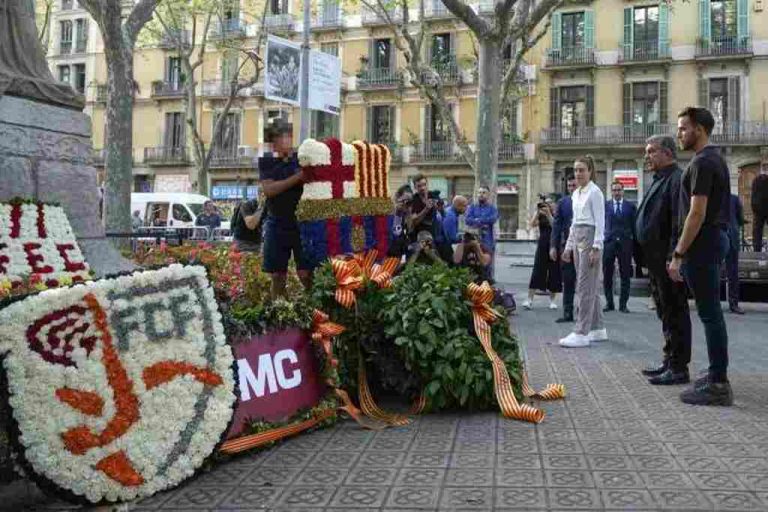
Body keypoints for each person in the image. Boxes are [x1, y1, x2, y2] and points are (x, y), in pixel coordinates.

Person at [668, 106, 732, 406]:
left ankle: (718, 384)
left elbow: (696, 213)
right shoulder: (712, 159)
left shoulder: (703, 162)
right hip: (711, 241)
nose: (679, 133)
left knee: (710, 313)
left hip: (703, 244)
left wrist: (678, 254)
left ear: (700, 130)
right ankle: (716, 373)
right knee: (711, 312)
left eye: (683, 128)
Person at [636, 135, 692, 385]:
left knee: (675, 311)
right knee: (665, 312)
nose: (647, 156)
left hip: (667, 262)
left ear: (668, 153)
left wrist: (674, 257)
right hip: (655, 261)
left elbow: (679, 222)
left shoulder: (676, 179)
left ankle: (679, 367)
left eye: (651, 151)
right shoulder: (660, 179)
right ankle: (669, 360)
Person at [259, 120, 313, 298]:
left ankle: (314, 307)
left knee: (306, 274)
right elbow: (269, 190)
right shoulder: (267, 160)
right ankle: (279, 309)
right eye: (273, 141)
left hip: (302, 223)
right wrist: (297, 178)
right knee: (277, 275)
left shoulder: (302, 158)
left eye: (283, 137)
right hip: (277, 223)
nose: (279, 143)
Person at [559, 155, 607, 348]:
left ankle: (581, 332)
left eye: (582, 170)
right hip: (578, 236)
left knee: (584, 286)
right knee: (589, 285)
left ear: (590, 171)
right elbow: (574, 223)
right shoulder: (576, 194)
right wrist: (568, 246)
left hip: (590, 237)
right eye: (576, 170)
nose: (578, 173)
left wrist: (596, 247)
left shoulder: (595, 192)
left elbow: (600, 222)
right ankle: (597, 328)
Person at [603, 181, 636, 313]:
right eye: (614, 190)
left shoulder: (630, 207)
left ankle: (623, 305)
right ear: (611, 192)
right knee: (607, 274)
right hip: (609, 243)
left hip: (625, 244)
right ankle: (609, 303)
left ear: (623, 191)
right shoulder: (606, 206)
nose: (616, 192)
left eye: (619, 190)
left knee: (625, 275)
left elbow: (634, 226)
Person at [523, 196, 561, 310]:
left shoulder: (557, 215)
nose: (547, 206)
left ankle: (553, 300)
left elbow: (555, 226)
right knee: (537, 270)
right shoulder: (541, 215)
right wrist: (537, 213)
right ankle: (529, 299)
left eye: (550, 203)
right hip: (542, 244)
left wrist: (549, 214)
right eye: (546, 204)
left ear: (554, 204)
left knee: (554, 271)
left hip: (554, 245)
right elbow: (531, 224)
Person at [550, 174, 577, 323]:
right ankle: (568, 312)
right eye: (569, 186)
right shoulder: (563, 202)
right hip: (566, 247)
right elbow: (556, 226)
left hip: (583, 246)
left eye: (574, 186)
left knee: (584, 282)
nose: (571, 188)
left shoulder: (587, 200)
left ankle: (586, 312)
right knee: (568, 280)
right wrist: (553, 246)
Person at [465, 186, 499, 275]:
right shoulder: (472, 207)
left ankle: (488, 281)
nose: (481, 195)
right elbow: (467, 220)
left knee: (487, 264)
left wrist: (477, 220)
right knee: (474, 262)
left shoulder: (492, 208)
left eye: (484, 193)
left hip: (487, 240)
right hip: (474, 239)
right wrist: (483, 221)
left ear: (488, 195)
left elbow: (493, 219)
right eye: (479, 192)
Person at [726, 193, 745, 315]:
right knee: (733, 272)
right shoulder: (734, 199)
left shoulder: (711, 198)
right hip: (732, 236)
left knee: (711, 272)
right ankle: (733, 304)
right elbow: (740, 219)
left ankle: (710, 303)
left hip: (715, 237)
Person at [409, 174, 437, 242]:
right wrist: (426, 209)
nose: (422, 188)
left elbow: (442, 212)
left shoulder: (433, 195)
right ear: (415, 187)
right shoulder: (413, 200)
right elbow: (414, 222)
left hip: (433, 233)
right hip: (420, 235)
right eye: (419, 186)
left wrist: (439, 207)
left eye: (424, 184)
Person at [388, 185, 413, 259]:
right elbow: (394, 235)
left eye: (409, 202)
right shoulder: (389, 213)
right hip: (389, 255)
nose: (406, 204)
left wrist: (408, 213)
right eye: (404, 200)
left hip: (400, 254)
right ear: (397, 197)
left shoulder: (404, 214)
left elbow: (409, 231)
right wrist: (397, 213)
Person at [751, 166, 768, 252]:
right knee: (757, 231)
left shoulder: (756, 180)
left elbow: (753, 195)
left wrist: (754, 207)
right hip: (759, 209)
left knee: (757, 231)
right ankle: (757, 249)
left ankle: (757, 250)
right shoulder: (756, 180)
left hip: (758, 209)